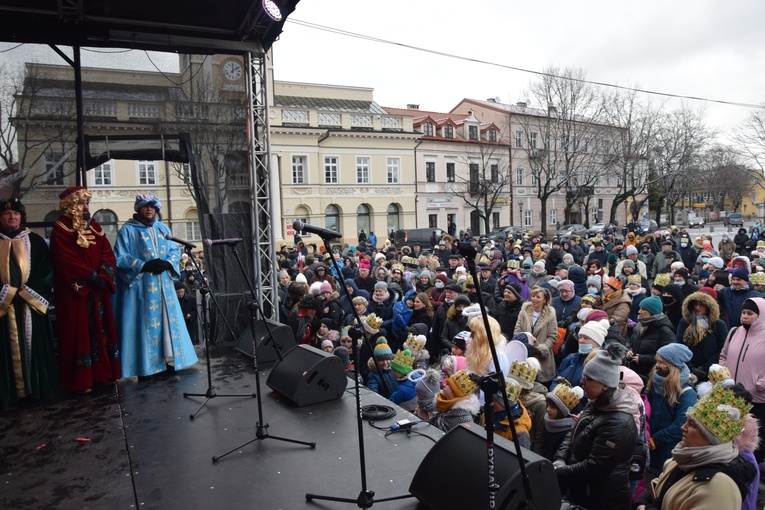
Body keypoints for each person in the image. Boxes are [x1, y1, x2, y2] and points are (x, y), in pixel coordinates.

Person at [634, 382, 757, 510]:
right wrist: (643, 501)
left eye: (692, 424)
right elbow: (659, 485)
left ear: (711, 437)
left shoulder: (720, 486)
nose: (683, 427)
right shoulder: (684, 458)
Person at [113, 194, 198, 377]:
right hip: (141, 289)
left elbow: (175, 249)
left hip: (164, 288)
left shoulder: (162, 228)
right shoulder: (127, 230)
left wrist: (168, 263)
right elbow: (119, 257)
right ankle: (146, 366)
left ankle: (167, 361)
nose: (149, 209)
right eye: (145, 206)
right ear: (138, 208)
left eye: (153, 206)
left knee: (166, 326)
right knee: (144, 326)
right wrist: (143, 265)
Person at [51, 186, 120, 393]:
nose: (86, 206)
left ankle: (104, 373)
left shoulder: (96, 227)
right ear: (71, 205)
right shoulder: (60, 229)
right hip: (76, 293)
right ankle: (81, 380)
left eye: (87, 203)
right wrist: (89, 277)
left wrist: (104, 276)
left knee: (102, 330)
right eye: (82, 203)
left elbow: (107, 253)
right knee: (78, 333)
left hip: (98, 291)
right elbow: (64, 259)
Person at [554, 344, 640, 510]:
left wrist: (557, 473)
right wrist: (560, 459)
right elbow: (575, 430)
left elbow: (594, 468)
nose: (581, 381)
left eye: (587, 379)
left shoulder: (618, 423)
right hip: (582, 491)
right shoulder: (596, 403)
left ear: (605, 386)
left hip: (602, 501)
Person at [0, 198, 59, 408]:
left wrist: (25, 293)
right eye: (7, 214)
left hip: (30, 305)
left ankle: (37, 388)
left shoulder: (34, 241)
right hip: (3, 308)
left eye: (16, 214)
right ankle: (10, 393)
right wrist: (6, 294)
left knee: (33, 346)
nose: (12, 217)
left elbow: (46, 270)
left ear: (21, 217)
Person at [719, 297, 765, 463]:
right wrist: (723, 373)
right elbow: (724, 355)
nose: (744, 316)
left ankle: (753, 467)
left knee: (753, 437)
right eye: (743, 312)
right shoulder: (734, 332)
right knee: (731, 432)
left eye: (750, 313)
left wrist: (760, 384)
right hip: (732, 394)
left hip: (757, 398)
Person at [645, 343, 698, 481]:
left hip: (667, 453)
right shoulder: (655, 383)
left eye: (661, 362)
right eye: (657, 361)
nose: (657, 365)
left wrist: (656, 439)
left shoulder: (687, 393)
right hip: (648, 448)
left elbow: (681, 424)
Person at [676, 290, 729, 381]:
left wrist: (706, 367)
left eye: (702, 305)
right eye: (695, 304)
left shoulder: (719, 325)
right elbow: (679, 345)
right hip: (687, 370)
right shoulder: (684, 322)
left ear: (709, 306)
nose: (697, 307)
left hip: (712, 371)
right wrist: (690, 367)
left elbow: (722, 349)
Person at [513, 286, 559, 385]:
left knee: (539, 384)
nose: (534, 299)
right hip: (524, 355)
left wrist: (542, 348)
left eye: (538, 297)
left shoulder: (550, 315)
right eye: (533, 296)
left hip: (542, 357)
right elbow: (517, 330)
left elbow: (552, 336)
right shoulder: (523, 312)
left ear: (545, 300)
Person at [627, 295, 676, 379]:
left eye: (643, 309)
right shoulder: (639, 325)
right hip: (635, 372)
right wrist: (629, 351)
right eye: (640, 308)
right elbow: (633, 344)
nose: (639, 311)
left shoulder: (664, 330)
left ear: (652, 311)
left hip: (652, 375)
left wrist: (643, 359)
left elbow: (669, 356)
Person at [543, 378, 584, 461]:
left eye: (553, 407)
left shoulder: (568, 430)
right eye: (548, 405)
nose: (548, 409)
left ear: (562, 411)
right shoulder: (547, 421)